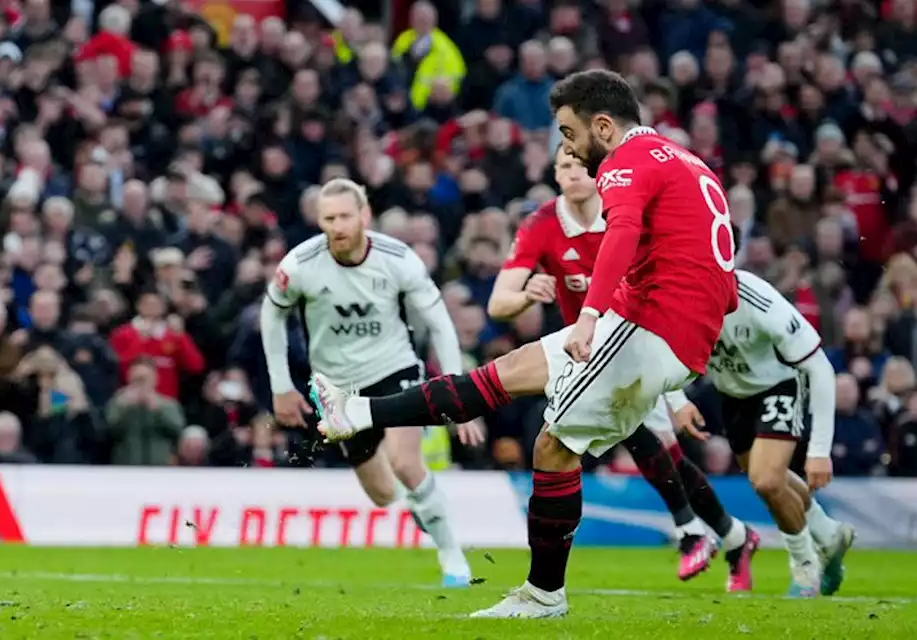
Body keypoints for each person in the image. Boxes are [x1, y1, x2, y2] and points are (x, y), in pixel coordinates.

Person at [310, 70, 738, 618]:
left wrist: (590, 319)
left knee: (553, 448)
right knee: (506, 372)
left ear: (602, 126)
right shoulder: (684, 160)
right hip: (663, 324)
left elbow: (623, 234)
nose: (567, 148)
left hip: (647, 324)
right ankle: (358, 411)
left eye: (569, 133)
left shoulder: (626, 163)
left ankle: (544, 595)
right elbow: (721, 281)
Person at [488, 145, 754, 583]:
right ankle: (725, 533)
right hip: (588, 353)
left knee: (652, 446)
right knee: (654, 448)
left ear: (598, 174)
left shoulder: (627, 219)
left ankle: (700, 531)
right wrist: (525, 296)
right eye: (564, 166)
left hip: (640, 346)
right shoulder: (542, 225)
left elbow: (658, 309)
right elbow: (499, 304)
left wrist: (678, 394)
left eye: (580, 165)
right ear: (555, 174)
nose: (573, 173)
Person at [261, 178, 481, 588]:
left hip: (393, 369)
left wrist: (458, 390)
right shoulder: (299, 264)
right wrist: (281, 386)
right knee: (382, 494)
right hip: (335, 387)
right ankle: (423, 504)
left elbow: (439, 323)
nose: (338, 225)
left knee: (405, 462)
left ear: (364, 215)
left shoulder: (398, 258)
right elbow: (271, 314)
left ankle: (453, 559)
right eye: (329, 218)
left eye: (345, 216)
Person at [670, 270, 854, 597]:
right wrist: (677, 400)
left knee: (767, 480)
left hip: (779, 384)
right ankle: (828, 533)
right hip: (733, 396)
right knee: (766, 480)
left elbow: (820, 367)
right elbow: (664, 351)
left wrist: (819, 451)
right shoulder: (684, 299)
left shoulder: (758, 299)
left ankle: (805, 567)